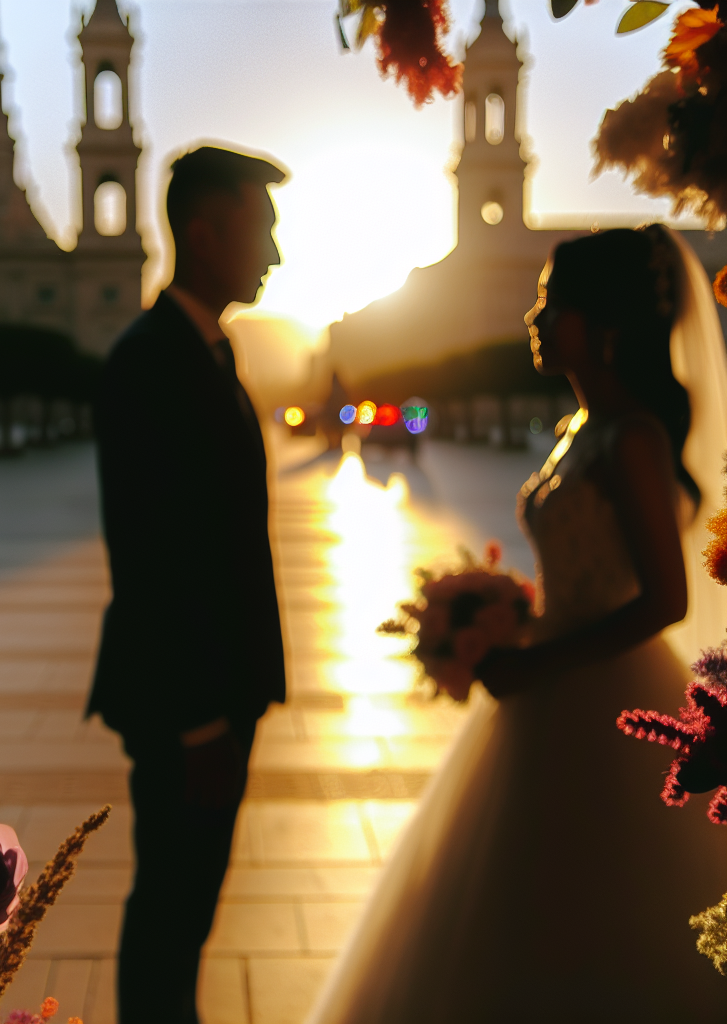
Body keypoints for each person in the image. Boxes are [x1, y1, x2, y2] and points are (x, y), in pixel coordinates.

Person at [306, 226, 727, 1023]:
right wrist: (509, 615)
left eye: (553, 302)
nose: (535, 317)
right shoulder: (581, 430)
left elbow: (664, 602)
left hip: (602, 690)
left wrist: (537, 661)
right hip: (553, 670)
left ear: (603, 324)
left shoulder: (632, 437)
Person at [88, 146, 288, 1024]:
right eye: (264, 230)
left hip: (214, 692)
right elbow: (155, 555)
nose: (275, 255)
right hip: (186, 704)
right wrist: (203, 717)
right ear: (206, 234)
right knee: (170, 902)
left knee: (189, 905)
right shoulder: (152, 360)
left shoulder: (206, 350)